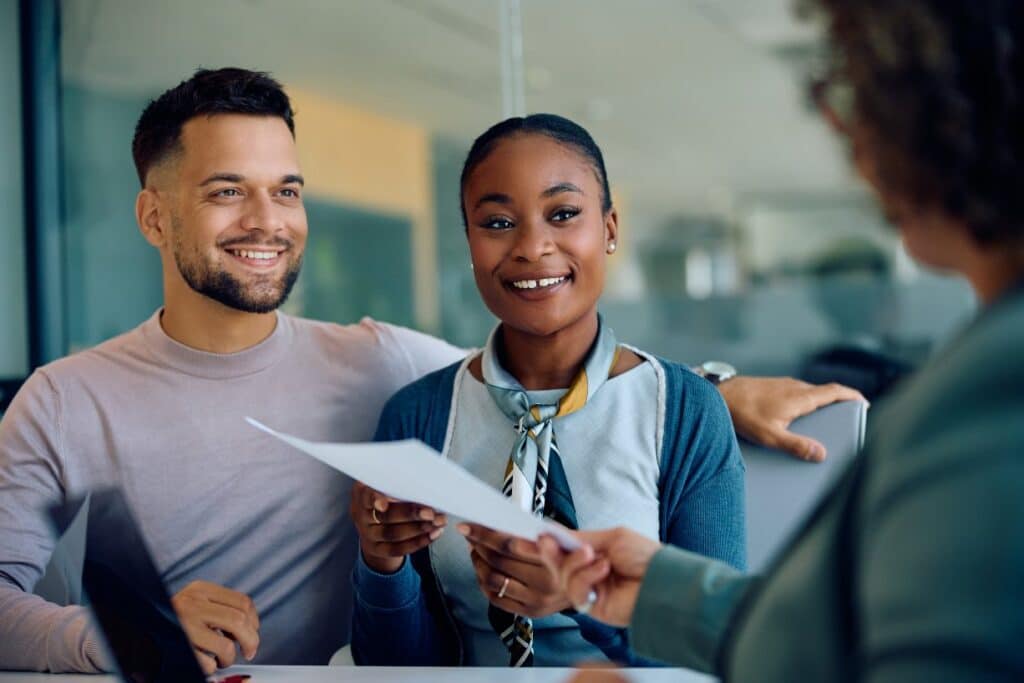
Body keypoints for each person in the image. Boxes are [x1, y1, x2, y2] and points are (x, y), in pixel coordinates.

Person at [0, 67, 856, 674]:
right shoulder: (63, 399)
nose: (268, 220)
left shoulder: (373, 359)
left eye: (287, 189)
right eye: (229, 190)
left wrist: (716, 388)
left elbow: (551, 380)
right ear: (153, 216)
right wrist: (124, 638)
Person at [530, 1, 1024, 680]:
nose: (846, 128)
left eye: (862, 89)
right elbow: (862, 628)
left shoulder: (994, 391)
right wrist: (669, 595)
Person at [349, 114, 746, 668]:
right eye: (497, 222)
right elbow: (396, 670)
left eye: (563, 214)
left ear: (609, 229)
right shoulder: (418, 415)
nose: (533, 247)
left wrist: (581, 597)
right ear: (469, 241)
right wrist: (380, 563)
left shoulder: (683, 413)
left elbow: (718, 650)